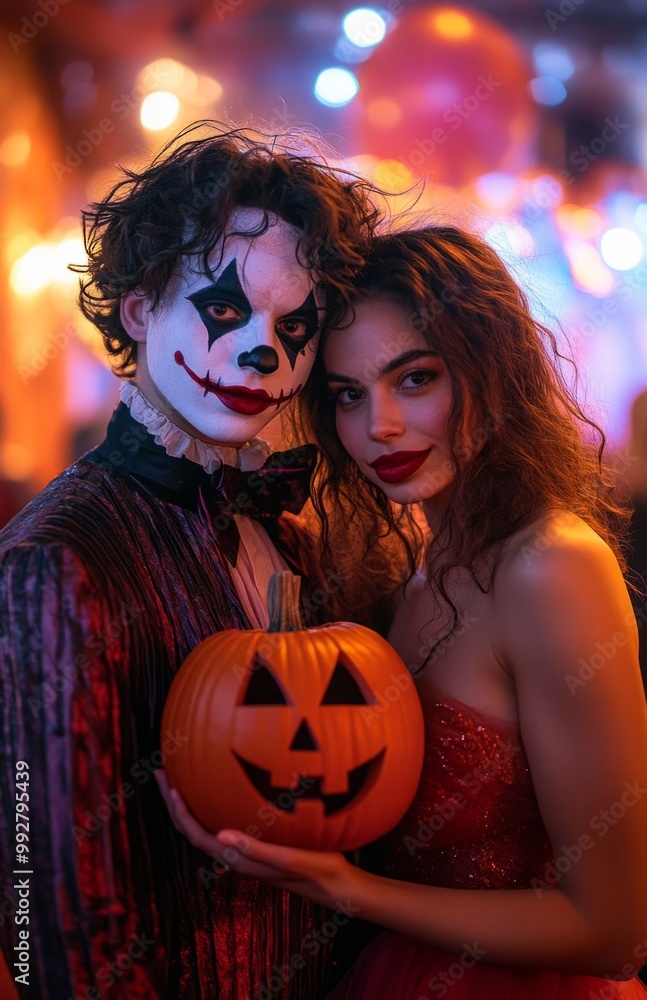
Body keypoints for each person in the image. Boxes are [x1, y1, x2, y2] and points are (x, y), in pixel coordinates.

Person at [157, 226, 647, 998]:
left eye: (413, 378)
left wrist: (345, 889)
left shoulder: (550, 567)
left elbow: (616, 930)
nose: (377, 425)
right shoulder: (411, 566)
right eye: (348, 395)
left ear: (492, 370)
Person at [0, 122, 382, 998]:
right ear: (139, 310)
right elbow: (50, 915)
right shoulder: (55, 560)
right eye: (223, 309)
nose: (261, 350)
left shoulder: (287, 536)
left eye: (295, 326)